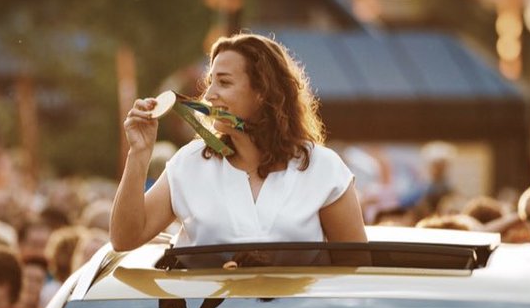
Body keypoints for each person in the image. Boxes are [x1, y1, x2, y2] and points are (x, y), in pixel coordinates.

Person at [110, 33, 367, 251]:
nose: (209, 95)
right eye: (211, 82)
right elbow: (125, 239)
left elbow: (354, 270)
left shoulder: (322, 168)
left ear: (262, 92)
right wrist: (139, 153)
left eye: (224, 82)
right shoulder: (189, 163)